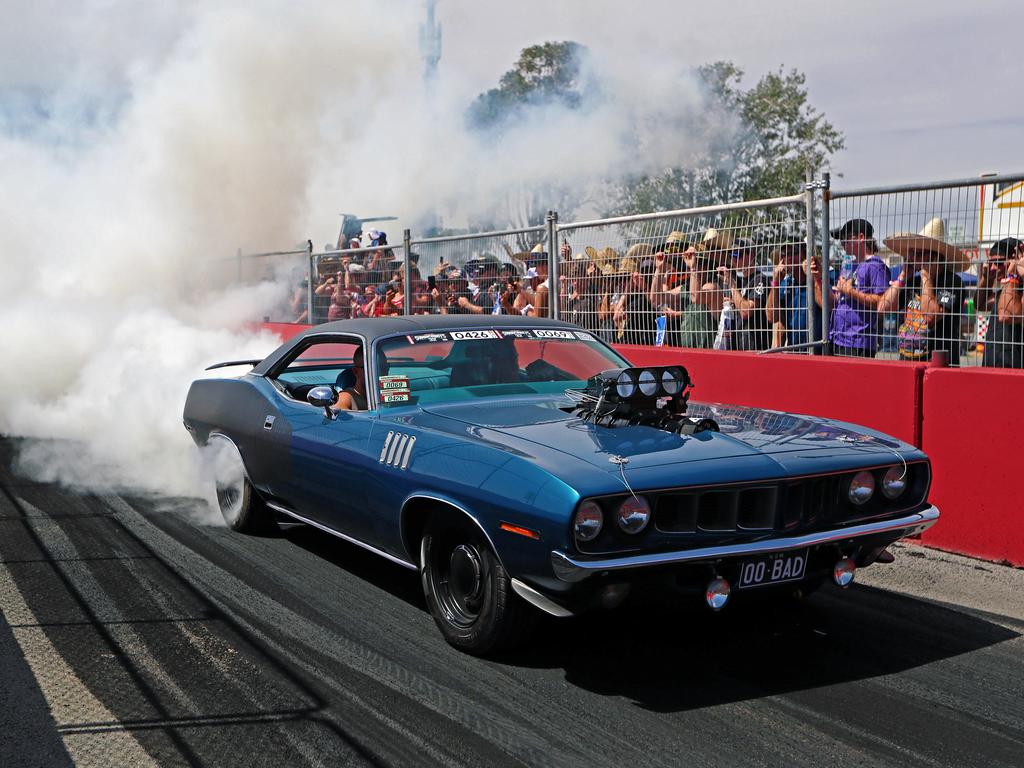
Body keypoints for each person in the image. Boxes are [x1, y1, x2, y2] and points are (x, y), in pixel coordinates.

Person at [880, 218, 969, 365]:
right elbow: (883, 308)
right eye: (912, 253)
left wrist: (926, 276)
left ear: (935, 255)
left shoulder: (952, 282)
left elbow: (930, 316)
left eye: (919, 253)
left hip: (938, 364)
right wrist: (902, 278)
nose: (912, 258)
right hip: (907, 362)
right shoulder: (911, 281)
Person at [829, 219, 889, 356]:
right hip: (839, 338)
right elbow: (840, 298)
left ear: (861, 238)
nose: (842, 244)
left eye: (845, 239)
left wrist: (850, 292)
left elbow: (882, 302)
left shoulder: (876, 266)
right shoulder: (849, 265)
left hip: (859, 341)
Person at [765, 242, 825, 350]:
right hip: (795, 350)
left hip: (819, 349)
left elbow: (826, 306)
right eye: (784, 254)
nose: (789, 257)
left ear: (804, 256)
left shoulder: (819, 278)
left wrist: (812, 278)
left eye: (794, 253)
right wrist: (775, 282)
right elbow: (771, 317)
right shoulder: (785, 284)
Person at [715, 237, 771, 351]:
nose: (734, 259)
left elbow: (746, 312)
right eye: (731, 255)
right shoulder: (741, 281)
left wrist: (732, 285)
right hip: (740, 345)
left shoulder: (760, 279)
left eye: (737, 254)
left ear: (751, 255)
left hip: (756, 346)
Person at [982, 237, 1024, 368]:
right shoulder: (1002, 292)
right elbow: (980, 304)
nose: (993, 268)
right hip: (991, 366)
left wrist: (1012, 276)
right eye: (991, 263)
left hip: (1015, 372)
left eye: (999, 262)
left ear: (1015, 261)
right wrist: (986, 278)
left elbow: (1006, 315)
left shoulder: (1017, 290)